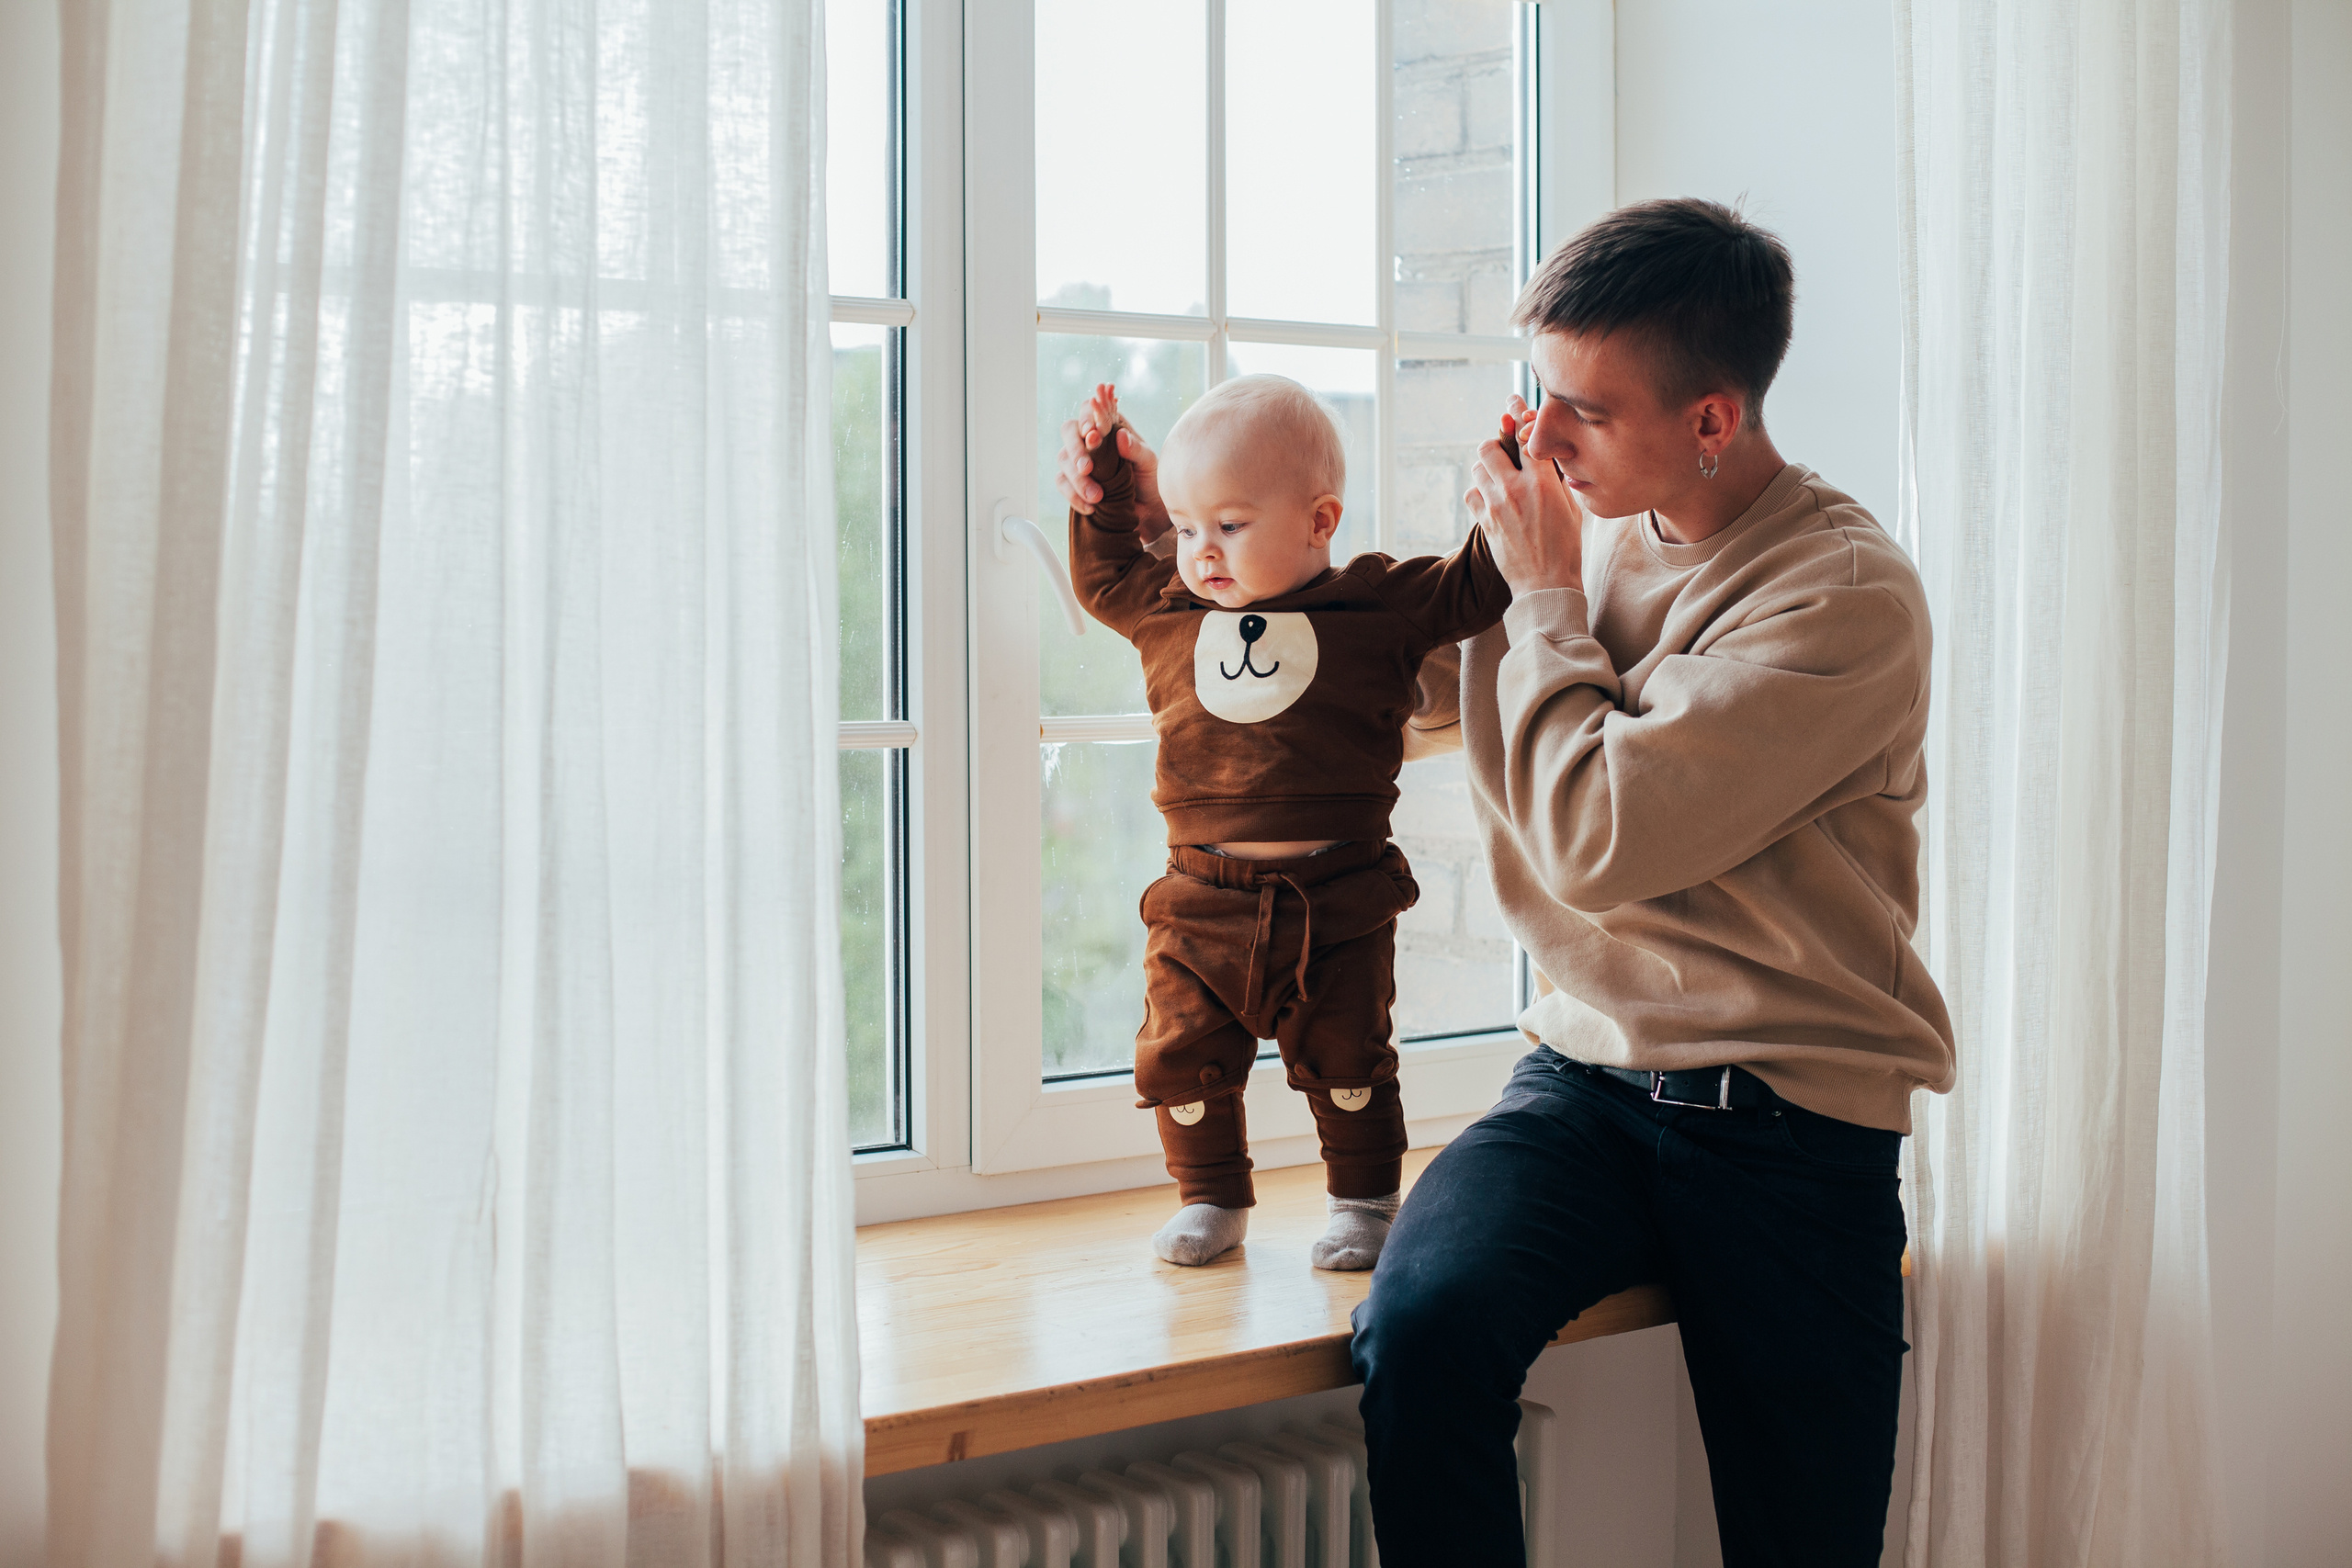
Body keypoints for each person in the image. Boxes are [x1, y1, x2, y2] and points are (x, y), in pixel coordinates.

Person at [1056, 199, 1955, 1565]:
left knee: (1803, 1539)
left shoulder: (1842, 598)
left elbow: (1598, 835)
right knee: (1418, 1329)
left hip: (1788, 1122)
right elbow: (1355, 693)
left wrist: (1535, 595)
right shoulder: (1578, 529)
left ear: (1712, 417)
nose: (1544, 438)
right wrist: (1177, 539)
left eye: (1585, 409)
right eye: (1539, 395)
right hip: (1583, 1087)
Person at [1063, 375, 1510, 1270]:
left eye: (1228, 525)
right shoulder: (1169, 609)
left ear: (1319, 521)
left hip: (1336, 896)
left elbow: (1475, 586)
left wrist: (1514, 489)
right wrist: (1107, 486)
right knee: (1183, 1059)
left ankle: (1364, 1201)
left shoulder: (1374, 605)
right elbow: (1106, 571)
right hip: (1200, 897)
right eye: (1186, 528)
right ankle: (1211, 1195)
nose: (1200, 552)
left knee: (1349, 1058)